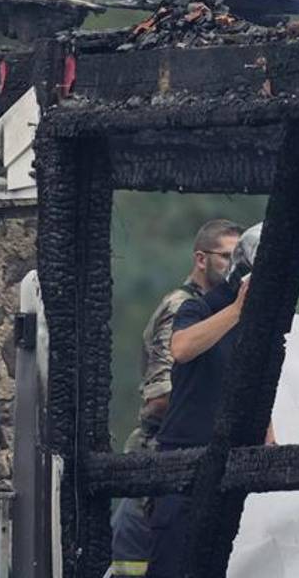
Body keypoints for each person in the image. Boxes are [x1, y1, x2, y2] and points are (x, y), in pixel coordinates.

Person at [109, 219, 242, 577]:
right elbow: (161, 397)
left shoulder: (223, 310)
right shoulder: (183, 307)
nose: (234, 267)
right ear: (201, 259)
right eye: (226, 257)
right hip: (163, 460)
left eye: (238, 259)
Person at [147, 222, 272, 578]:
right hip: (182, 458)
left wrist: (268, 438)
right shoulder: (195, 308)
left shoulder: (255, 323)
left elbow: (257, 382)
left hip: (229, 463)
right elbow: (182, 348)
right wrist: (236, 311)